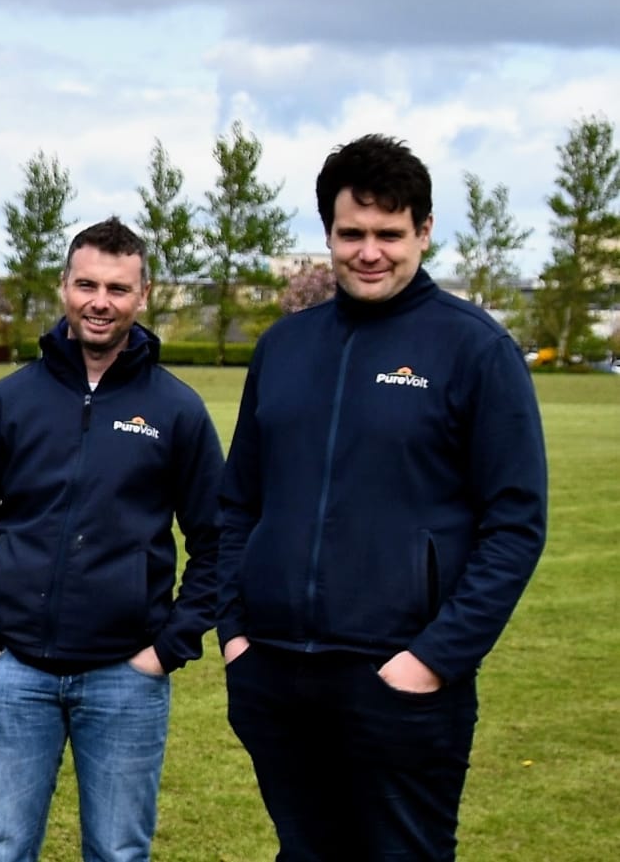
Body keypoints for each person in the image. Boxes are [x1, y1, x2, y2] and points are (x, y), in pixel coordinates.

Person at [218, 134, 548, 860]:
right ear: (327, 235)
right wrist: (237, 637)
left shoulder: (473, 349)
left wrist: (430, 658)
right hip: (274, 673)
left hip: (399, 681)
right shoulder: (283, 347)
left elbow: (515, 524)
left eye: (388, 234)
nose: (369, 251)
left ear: (422, 231)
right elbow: (236, 504)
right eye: (351, 233)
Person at [0, 218, 224, 862]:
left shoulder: (177, 409)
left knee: (119, 852)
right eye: (86, 284)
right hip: (14, 673)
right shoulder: (8, 401)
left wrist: (167, 648)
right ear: (63, 286)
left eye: (117, 288)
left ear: (142, 295)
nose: (100, 301)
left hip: (127, 676)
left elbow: (219, 540)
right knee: (2, 847)